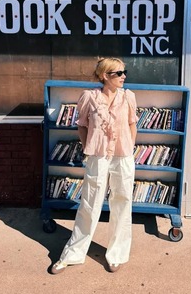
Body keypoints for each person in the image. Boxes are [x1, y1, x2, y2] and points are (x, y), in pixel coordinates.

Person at [50, 57, 138, 275]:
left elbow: (132, 124)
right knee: (90, 203)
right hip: (97, 156)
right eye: (118, 73)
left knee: (123, 202)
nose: (123, 76)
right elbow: (82, 126)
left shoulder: (128, 97)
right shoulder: (89, 97)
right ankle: (73, 254)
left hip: (123, 156)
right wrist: (90, 147)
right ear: (104, 76)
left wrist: (128, 148)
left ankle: (117, 254)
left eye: (124, 72)